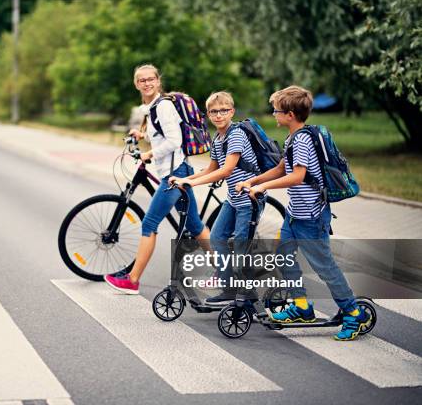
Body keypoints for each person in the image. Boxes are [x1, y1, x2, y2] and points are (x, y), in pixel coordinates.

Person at [236, 85, 370, 341]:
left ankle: (353, 313)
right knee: (283, 255)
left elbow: (296, 177)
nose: (273, 114)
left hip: (311, 217)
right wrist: (254, 182)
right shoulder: (293, 138)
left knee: (324, 267)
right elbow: (280, 169)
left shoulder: (303, 140)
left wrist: (262, 187)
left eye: (275, 110)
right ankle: (301, 306)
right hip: (295, 215)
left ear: (289, 114)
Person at [104, 64, 210, 294]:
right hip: (178, 170)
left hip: (174, 175)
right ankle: (227, 271)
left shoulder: (163, 107)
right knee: (195, 226)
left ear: (158, 81)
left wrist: (149, 153)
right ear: (136, 84)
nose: (147, 83)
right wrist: (141, 135)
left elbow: (174, 141)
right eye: (142, 80)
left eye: (151, 79)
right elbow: (160, 132)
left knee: (149, 224)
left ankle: (132, 280)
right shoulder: (151, 107)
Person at [171, 92, 264, 305]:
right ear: (208, 115)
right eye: (214, 111)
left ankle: (248, 297)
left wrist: (192, 184)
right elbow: (212, 168)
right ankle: (229, 289)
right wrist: (184, 178)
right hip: (233, 199)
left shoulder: (237, 134)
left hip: (249, 200)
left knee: (241, 247)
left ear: (231, 111)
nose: (219, 115)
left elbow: (227, 170)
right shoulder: (218, 137)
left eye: (223, 110)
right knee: (217, 239)